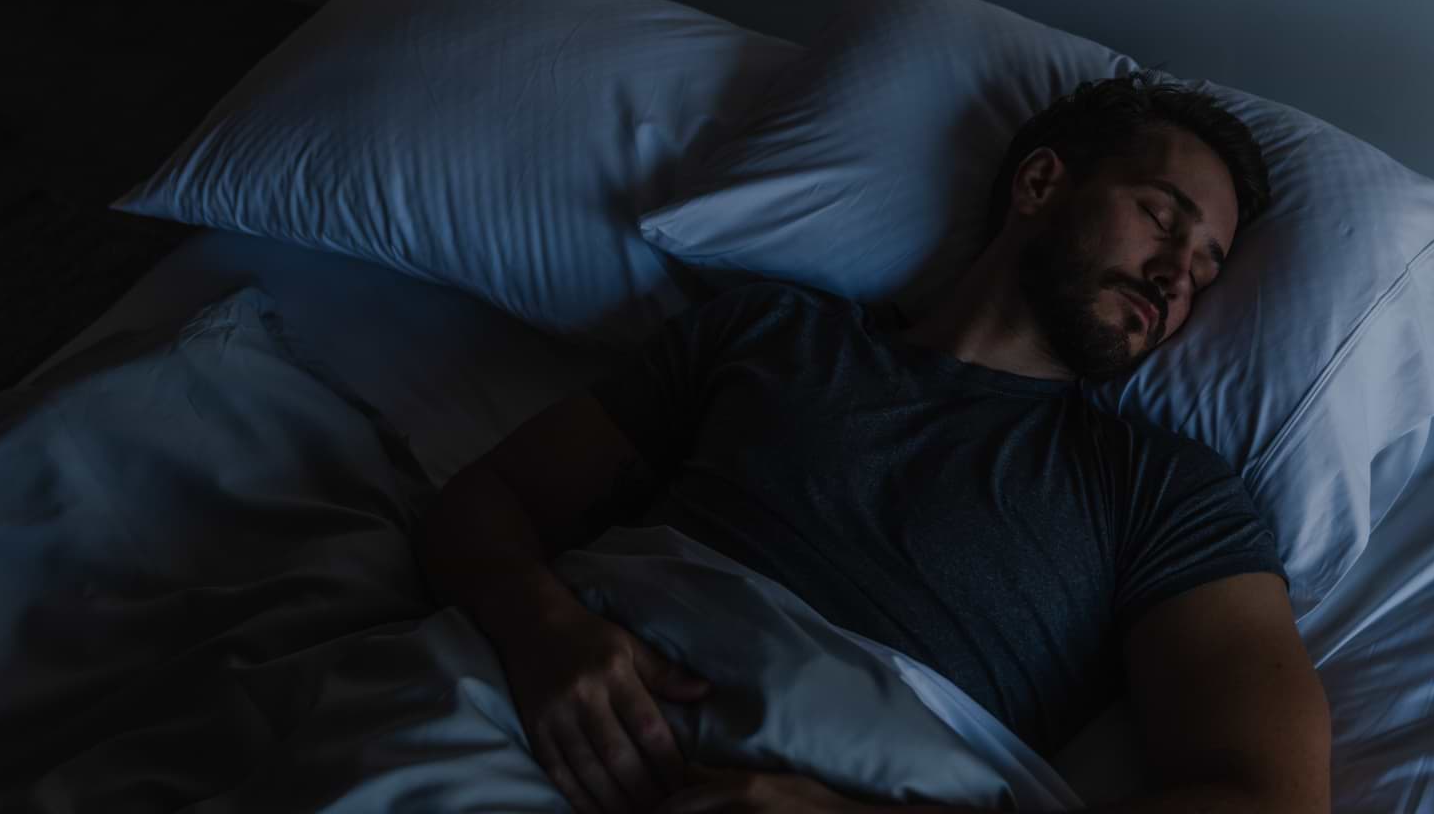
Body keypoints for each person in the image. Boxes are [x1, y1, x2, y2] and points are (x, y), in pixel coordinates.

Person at [417, 70, 1332, 814]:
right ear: (1041, 183)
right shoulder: (770, 333)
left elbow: (1273, 800)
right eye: (1163, 219)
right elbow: (485, 504)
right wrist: (544, 630)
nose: (1177, 278)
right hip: (550, 710)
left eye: (1206, 270)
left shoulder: (1164, 487)